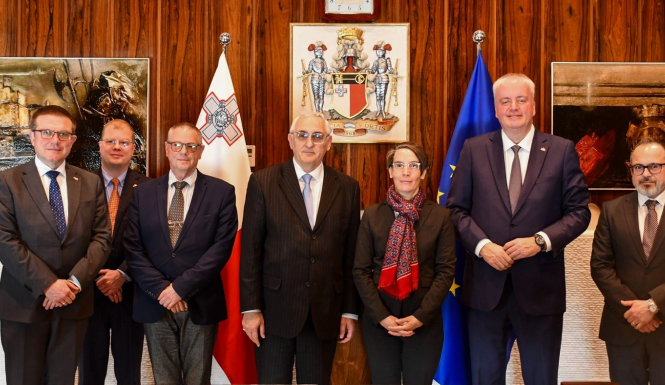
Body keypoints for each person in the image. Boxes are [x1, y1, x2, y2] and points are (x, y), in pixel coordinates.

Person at [447, 73, 590, 385]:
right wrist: (484, 246)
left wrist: (539, 241)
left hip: (541, 290)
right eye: (505, 101)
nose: (513, 107)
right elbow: (456, 211)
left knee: (541, 378)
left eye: (521, 100)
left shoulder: (561, 150)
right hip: (486, 290)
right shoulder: (474, 150)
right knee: (485, 378)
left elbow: (579, 213)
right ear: (496, 110)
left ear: (534, 106)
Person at [0, 105, 112, 385]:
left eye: (62, 134)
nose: (54, 140)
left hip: (74, 303)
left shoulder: (90, 182)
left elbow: (102, 238)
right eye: (46, 132)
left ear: (72, 140)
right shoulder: (8, 181)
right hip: (23, 304)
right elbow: (5, 240)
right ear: (32, 137)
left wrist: (72, 283)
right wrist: (49, 284)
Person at [240, 112, 362, 385]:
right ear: (290, 140)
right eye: (302, 135)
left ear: (329, 142)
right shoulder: (263, 182)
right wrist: (250, 309)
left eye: (317, 136)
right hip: (273, 312)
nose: (310, 143)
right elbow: (251, 251)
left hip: (324, 313)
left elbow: (351, 255)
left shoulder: (347, 188)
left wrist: (349, 311)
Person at [124, 122, 238, 385]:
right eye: (177, 144)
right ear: (166, 149)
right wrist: (164, 290)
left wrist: (181, 289)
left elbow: (220, 250)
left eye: (191, 146)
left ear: (200, 151)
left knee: (198, 380)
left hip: (200, 301)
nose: (183, 151)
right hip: (155, 301)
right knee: (164, 380)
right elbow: (133, 248)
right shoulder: (142, 194)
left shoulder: (222, 193)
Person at [590, 139, 665, 385]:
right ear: (630, 170)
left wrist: (653, 306)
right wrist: (633, 312)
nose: (646, 174)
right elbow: (600, 267)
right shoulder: (611, 211)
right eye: (638, 167)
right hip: (623, 327)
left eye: (654, 166)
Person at [353, 143, 455, 385]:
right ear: (390, 171)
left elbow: (445, 271)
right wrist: (382, 317)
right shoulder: (372, 215)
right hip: (380, 323)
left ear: (424, 172)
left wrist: (420, 317)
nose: (406, 172)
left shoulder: (441, 217)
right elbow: (360, 270)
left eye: (413, 165)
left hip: (424, 323)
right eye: (399, 165)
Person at [78, 119, 150, 385]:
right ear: (100, 146)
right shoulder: (80, 185)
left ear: (133, 148)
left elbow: (153, 242)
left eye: (124, 142)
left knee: (129, 373)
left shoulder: (150, 189)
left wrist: (122, 273)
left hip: (131, 295)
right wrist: (99, 276)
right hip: (88, 292)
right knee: (89, 372)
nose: (117, 147)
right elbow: (73, 239)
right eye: (111, 141)